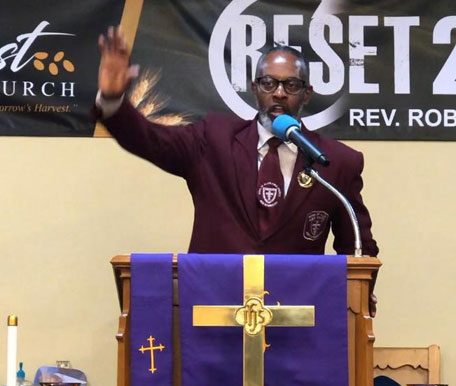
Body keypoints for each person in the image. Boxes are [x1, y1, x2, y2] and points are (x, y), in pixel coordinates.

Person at [97, 26, 379, 314]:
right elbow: (150, 140)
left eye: (291, 85)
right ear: (255, 88)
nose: (279, 93)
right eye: (269, 83)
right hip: (213, 310)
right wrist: (113, 102)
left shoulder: (334, 161)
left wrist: (360, 298)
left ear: (307, 94)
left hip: (295, 319)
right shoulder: (213, 140)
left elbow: (357, 244)